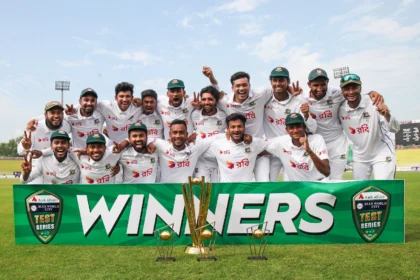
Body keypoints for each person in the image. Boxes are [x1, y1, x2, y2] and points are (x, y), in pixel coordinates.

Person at [303, 68, 384, 180]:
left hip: (337, 143)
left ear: (328, 83)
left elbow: (353, 91)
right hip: (317, 144)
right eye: (316, 85)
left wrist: (371, 92)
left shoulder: (336, 93)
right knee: (318, 182)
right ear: (309, 84)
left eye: (323, 84)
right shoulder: (302, 98)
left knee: (335, 181)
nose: (320, 88)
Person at [205, 67, 274, 181]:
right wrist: (211, 77)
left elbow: (278, 87)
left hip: (259, 149)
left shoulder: (260, 95)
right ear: (232, 88)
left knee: (264, 183)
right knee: (235, 183)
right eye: (238, 86)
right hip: (238, 150)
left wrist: (292, 91)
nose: (241, 88)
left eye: (244, 85)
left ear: (249, 86)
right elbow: (213, 95)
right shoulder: (226, 102)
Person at [338, 74, 400, 180]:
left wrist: (387, 114)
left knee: (383, 189)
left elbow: (395, 128)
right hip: (360, 156)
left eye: (354, 88)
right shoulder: (340, 109)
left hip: (381, 152)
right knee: (359, 192)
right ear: (342, 91)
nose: (351, 92)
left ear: (360, 88)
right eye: (347, 89)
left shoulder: (374, 102)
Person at [263, 67, 316, 182]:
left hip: (293, 151)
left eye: (281, 80)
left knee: (292, 186)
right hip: (272, 151)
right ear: (270, 82)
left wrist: (306, 116)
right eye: (275, 80)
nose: (278, 83)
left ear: (288, 81)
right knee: (270, 186)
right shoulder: (265, 100)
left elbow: (313, 129)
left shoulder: (299, 100)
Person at [17, 101, 72, 184]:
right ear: (45, 115)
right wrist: (25, 147)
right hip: (36, 168)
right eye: (52, 113)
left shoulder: (66, 126)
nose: (56, 116)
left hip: (55, 169)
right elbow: (20, 152)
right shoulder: (35, 127)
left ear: (63, 115)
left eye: (59, 113)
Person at [266, 113, 330, 181]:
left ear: (304, 127)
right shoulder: (281, 142)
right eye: (291, 127)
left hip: (319, 184)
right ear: (286, 130)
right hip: (298, 187)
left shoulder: (317, 139)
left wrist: (309, 150)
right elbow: (259, 145)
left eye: (298, 126)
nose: (295, 130)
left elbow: (326, 171)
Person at [207, 113, 268, 182]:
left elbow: (274, 146)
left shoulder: (255, 143)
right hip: (226, 190)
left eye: (239, 126)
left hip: (248, 190)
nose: (236, 130)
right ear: (227, 129)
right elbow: (199, 152)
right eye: (233, 127)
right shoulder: (217, 145)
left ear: (244, 128)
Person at [191, 86, 227, 182]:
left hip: (219, 161)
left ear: (216, 101)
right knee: (203, 192)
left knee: (218, 192)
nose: (206, 102)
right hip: (201, 161)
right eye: (203, 99)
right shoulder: (194, 114)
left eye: (210, 99)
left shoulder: (224, 115)